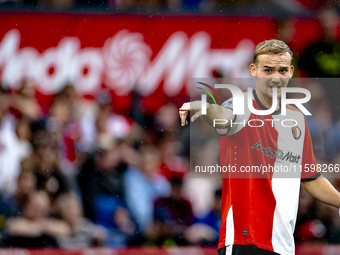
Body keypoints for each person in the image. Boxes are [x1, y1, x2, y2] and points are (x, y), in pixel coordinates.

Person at [179, 39, 340, 255]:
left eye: (282, 70)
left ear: (291, 72)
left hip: (283, 246)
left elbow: (310, 178)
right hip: (245, 241)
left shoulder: (296, 119)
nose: (276, 77)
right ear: (253, 71)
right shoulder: (240, 105)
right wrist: (207, 109)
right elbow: (223, 117)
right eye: (268, 70)